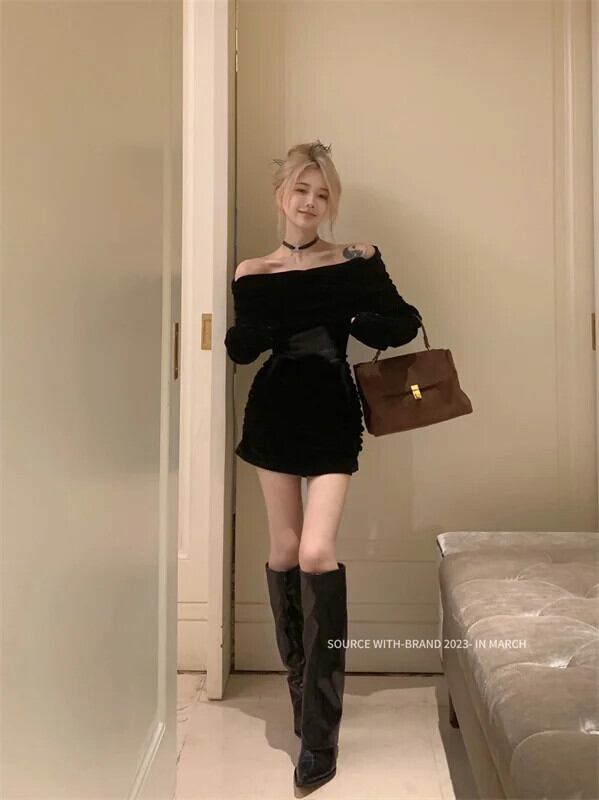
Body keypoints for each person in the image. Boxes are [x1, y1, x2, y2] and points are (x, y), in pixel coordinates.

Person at [224, 140, 422, 790]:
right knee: (284, 551)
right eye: (301, 190)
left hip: (333, 412)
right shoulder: (253, 270)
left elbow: (402, 323)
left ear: (331, 202)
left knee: (316, 553)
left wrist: (357, 312)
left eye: (323, 193)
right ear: (280, 194)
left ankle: (319, 732)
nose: (311, 202)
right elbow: (243, 347)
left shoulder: (353, 260)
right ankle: (302, 691)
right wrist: (251, 330)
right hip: (274, 412)